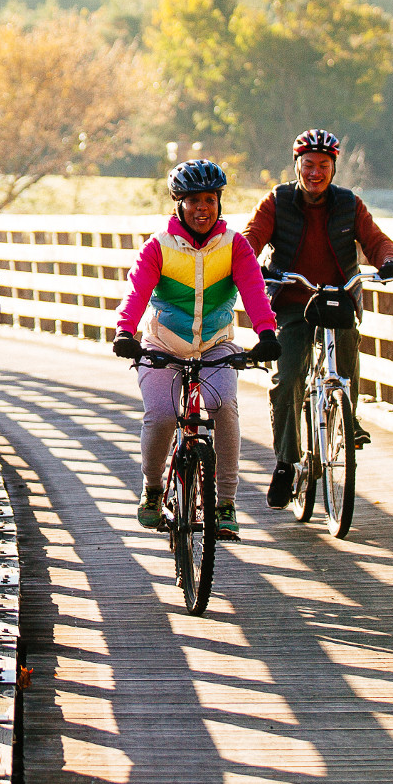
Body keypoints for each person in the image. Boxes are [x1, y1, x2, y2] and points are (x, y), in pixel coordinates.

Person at [113, 159, 280, 540]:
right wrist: (126, 332)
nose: (202, 208)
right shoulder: (158, 246)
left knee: (224, 407)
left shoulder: (235, 246)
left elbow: (254, 290)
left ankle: (225, 502)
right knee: (161, 415)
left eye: (210, 199)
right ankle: (153, 488)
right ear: (178, 204)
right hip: (164, 345)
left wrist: (266, 332)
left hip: (216, 344)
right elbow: (136, 292)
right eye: (193, 201)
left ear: (220, 203)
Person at [243, 129, 393, 509]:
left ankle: (349, 416)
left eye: (324, 166)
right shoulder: (277, 202)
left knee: (347, 345)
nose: (316, 172)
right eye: (309, 165)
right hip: (294, 301)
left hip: (337, 297)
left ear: (334, 168)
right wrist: (249, 264)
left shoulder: (349, 205)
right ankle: (286, 461)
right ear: (297, 164)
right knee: (288, 377)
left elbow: (376, 240)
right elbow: (251, 238)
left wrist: (389, 261)